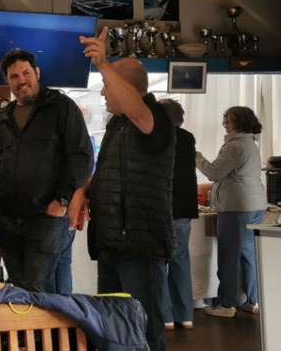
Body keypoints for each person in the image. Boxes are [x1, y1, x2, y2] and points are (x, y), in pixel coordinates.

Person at [76, 28, 176, 351]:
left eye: (107, 85)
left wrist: (104, 64)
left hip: (140, 247)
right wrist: (83, 190)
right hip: (111, 244)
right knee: (113, 332)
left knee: (144, 332)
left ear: (126, 87)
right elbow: (108, 171)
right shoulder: (117, 124)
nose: (104, 93)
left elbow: (138, 110)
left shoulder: (155, 117)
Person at [0, 50, 93, 293]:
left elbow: (81, 155)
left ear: (37, 73)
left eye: (26, 73)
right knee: (20, 288)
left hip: (46, 216)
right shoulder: (1, 120)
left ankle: (45, 319)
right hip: (7, 218)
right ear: (7, 81)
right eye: (14, 76)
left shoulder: (61, 107)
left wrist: (62, 200)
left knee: (36, 286)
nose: (21, 80)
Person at [197, 106, 267, 318]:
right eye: (225, 119)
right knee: (248, 254)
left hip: (236, 206)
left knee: (228, 256)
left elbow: (214, 172)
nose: (225, 123)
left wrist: (196, 156)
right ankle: (253, 300)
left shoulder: (235, 146)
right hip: (255, 204)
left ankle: (226, 304)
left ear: (240, 123)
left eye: (229, 120)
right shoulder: (251, 143)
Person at [158, 99, 198, 331]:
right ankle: (185, 315)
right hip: (184, 205)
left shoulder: (157, 137)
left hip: (161, 205)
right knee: (180, 259)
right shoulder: (188, 138)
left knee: (159, 261)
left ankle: (165, 316)